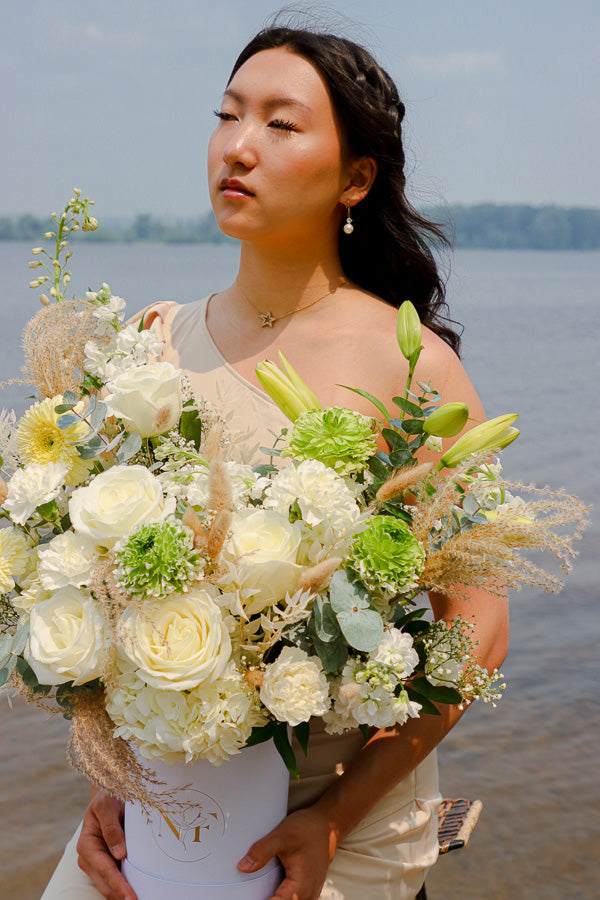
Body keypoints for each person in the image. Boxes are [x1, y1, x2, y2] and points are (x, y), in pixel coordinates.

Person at [40, 23, 509, 900]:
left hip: (338, 820)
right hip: (167, 811)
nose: (238, 146)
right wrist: (115, 786)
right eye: (227, 115)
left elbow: (480, 626)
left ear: (356, 177)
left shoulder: (409, 369)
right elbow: (113, 601)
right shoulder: (150, 343)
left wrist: (334, 815)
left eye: (281, 125)